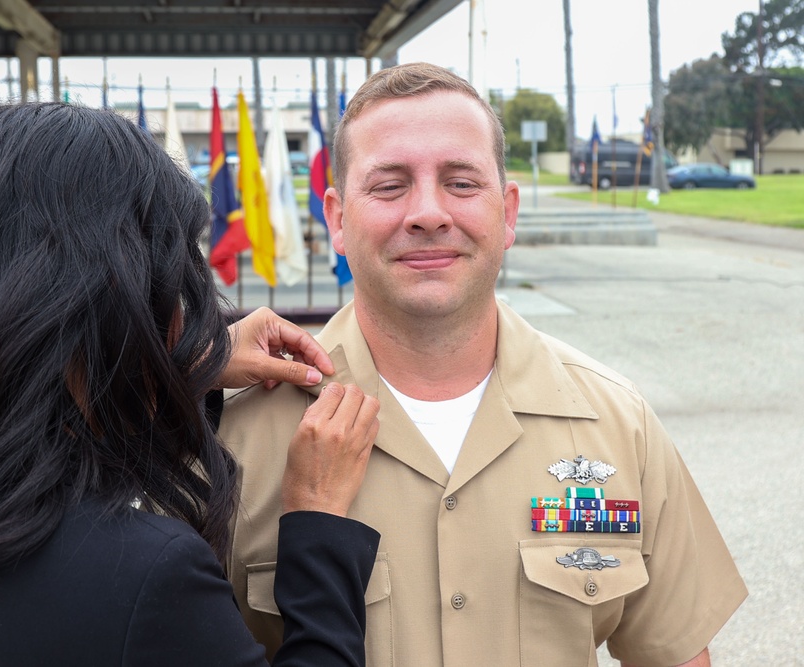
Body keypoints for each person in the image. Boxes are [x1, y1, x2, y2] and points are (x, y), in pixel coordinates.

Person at [219, 62, 747, 667]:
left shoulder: (617, 425)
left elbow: (676, 655)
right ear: (337, 218)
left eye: (462, 183)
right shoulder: (233, 437)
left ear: (509, 211)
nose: (428, 213)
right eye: (390, 185)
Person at [0, 102, 382, 666]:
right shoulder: (147, 577)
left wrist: (175, 369)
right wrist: (317, 519)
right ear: (99, 305)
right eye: (165, 290)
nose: (180, 318)